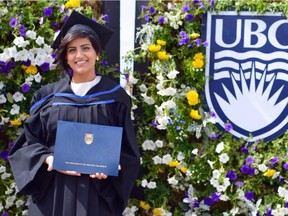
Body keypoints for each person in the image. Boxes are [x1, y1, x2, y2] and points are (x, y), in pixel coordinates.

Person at [9, 10, 140, 216]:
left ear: (97, 52)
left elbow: (128, 151)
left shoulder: (115, 98)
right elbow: (28, 144)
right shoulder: (47, 97)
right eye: (72, 50)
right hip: (53, 195)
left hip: (96, 198)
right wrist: (48, 159)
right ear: (66, 58)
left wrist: (111, 165)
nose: (79, 55)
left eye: (86, 48)